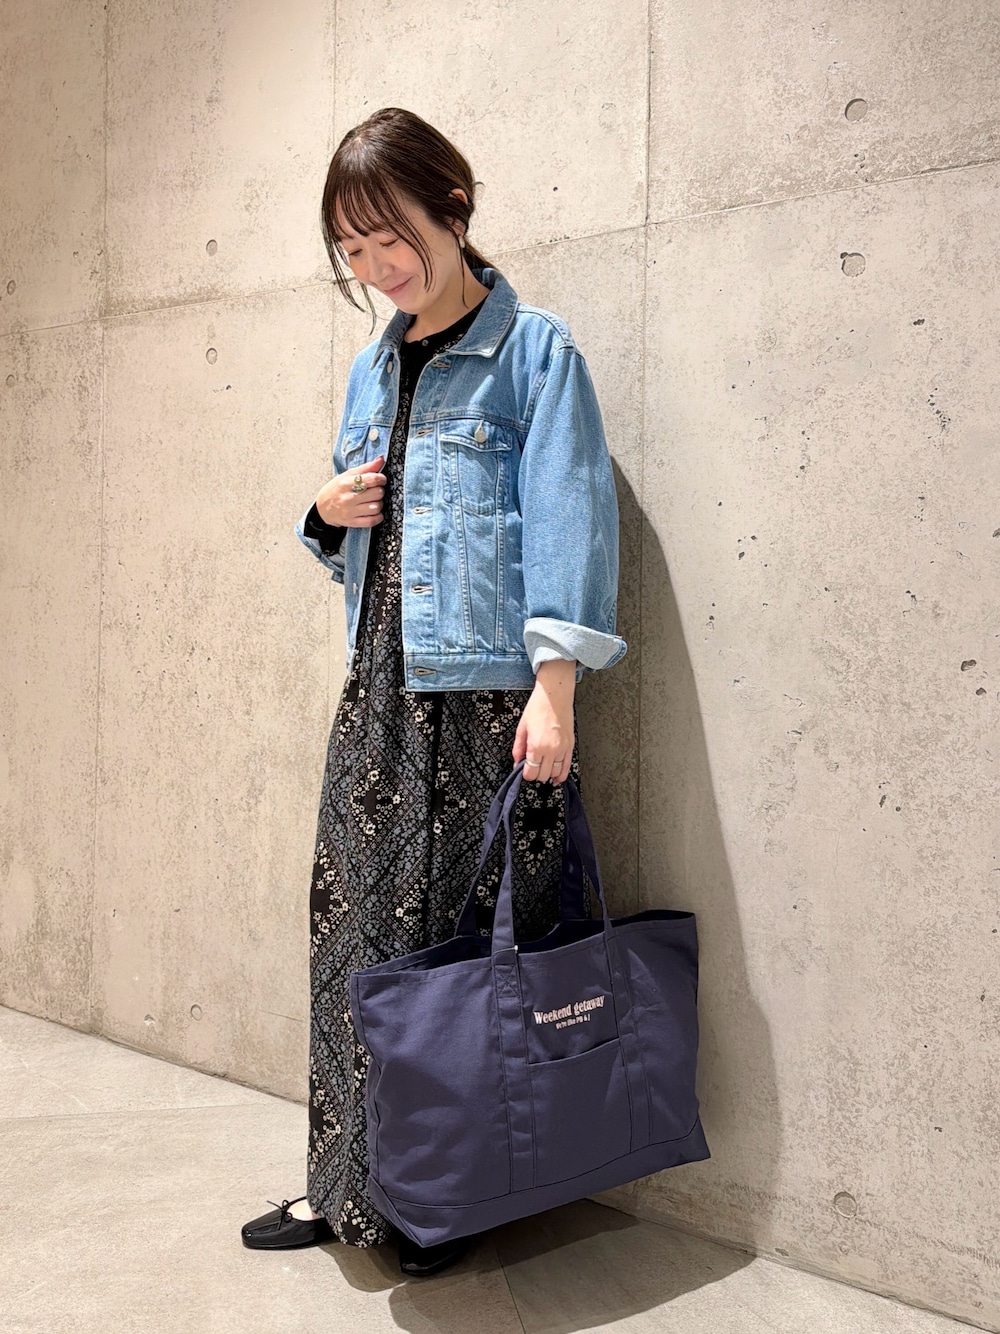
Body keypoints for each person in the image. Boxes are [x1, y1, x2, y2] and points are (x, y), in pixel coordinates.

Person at [241, 107, 626, 1277]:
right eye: (352, 250)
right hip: (376, 692)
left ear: (451, 207)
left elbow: (570, 525)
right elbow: (370, 541)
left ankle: (436, 1199)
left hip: (481, 703)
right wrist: (325, 514)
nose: (376, 267)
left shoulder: (534, 354)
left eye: (390, 237)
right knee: (350, 944)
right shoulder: (374, 363)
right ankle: (343, 1184)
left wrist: (554, 693)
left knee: (455, 957)